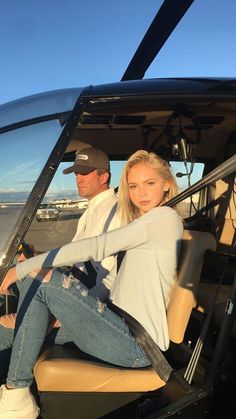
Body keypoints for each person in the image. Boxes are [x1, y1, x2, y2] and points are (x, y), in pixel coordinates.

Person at [0, 150, 183, 419]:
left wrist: (24, 267)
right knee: (9, 326)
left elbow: (98, 246)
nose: (141, 193)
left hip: (136, 344)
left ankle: (16, 396)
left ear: (167, 183)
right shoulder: (143, 222)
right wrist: (73, 309)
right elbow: (110, 279)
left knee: (43, 278)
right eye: (133, 186)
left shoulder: (164, 218)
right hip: (114, 324)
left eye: (150, 183)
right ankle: (11, 391)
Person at [0, 146, 120, 379]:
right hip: (75, 290)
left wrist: (64, 313)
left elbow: (108, 279)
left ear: (103, 176)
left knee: (6, 328)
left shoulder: (112, 212)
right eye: (76, 173)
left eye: (84, 173)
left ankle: (13, 391)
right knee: (22, 280)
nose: (78, 179)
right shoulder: (93, 210)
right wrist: (38, 257)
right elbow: (76, 258)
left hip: (87, 303)